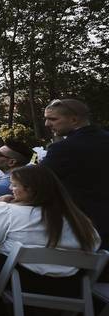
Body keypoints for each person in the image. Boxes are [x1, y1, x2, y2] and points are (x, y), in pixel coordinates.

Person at [0, 164, 100, 292]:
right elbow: (94, 246)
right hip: (69, 286)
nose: (10, 188)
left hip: (20, 280)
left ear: (31, 189)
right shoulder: (78, 219)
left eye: (14, 185)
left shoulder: (8, 211)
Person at [40, 98, 109, 249]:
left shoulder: (63, 149)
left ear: (74, 119)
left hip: (84, 225)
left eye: (52, 119)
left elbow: (37, 181)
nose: (47, 124)